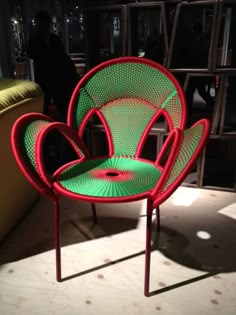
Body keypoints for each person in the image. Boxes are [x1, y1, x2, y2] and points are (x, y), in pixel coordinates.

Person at [27, 10, 78, 121]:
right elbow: (32, 54)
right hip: (44, 78)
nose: (42, 27)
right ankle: (44, 131)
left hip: (56, 78)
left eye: (44, 24)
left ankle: (67, 125)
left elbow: (61, 55)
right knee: (43, 106)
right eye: (40, 24)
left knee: (62, 104)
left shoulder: (55, 39)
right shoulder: (34, 41)